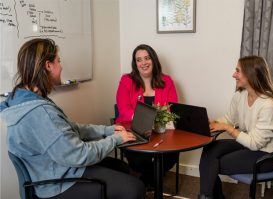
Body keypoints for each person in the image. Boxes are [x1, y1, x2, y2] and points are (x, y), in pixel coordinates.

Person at [0, 38, 145, 199]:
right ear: (48, 66)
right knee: (135, 188)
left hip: (52, 169)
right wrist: (116, 139)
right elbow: (80, 155)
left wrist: (108, 130)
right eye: (58, 61)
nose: (61, 66)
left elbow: (71, 128)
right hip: (57, 183)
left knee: (121, 167)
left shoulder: (24, 99)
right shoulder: (40, 113)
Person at [198, 56, 273, 199]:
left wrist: (228, 128)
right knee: (210, 149)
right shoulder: (240, 96)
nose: (233, 75)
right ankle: (208, 196)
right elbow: (228, 119)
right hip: (246, 144)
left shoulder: (270, 105)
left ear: (251, 74)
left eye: (237, 71)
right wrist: (211, 122)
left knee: (212, 164)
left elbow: (255, 144)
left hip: (265, 155)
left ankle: (207, 196)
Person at [116, 44, 179, 188]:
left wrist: (157, 123)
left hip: (161, 132)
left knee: (172, 154)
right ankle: (152, 178)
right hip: (133, 130)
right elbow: (123, 109)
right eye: (139, 60)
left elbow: (172, 108)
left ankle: (145, 180)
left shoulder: (167, 81)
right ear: (135, 63)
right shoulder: (127, 80)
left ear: (153, 60)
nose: (143, 63)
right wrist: (145, 121)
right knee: (139, 159)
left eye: (147, 58)